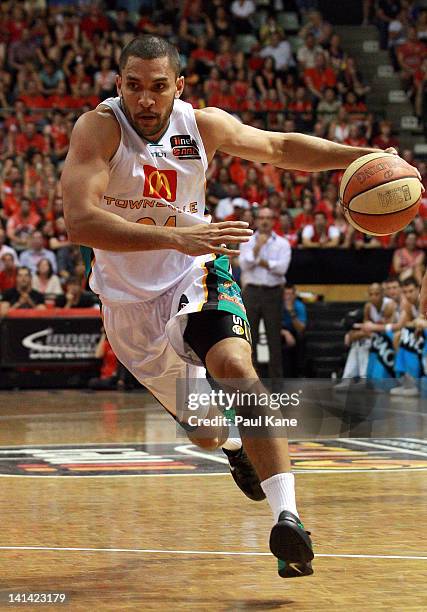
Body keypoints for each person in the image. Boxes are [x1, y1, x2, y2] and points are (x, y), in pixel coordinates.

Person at [61, 35, 402, 579]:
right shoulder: (98, 129)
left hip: (196, 273)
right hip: (127, 305)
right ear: (117, 82)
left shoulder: (203, 126)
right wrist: (174, 235)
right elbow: (79, 221)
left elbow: (280, 147)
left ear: (179, 86)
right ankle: (235, 445)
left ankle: (288, 517)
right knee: (205, 431)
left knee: (238, 369)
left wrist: (359, 156)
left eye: (157, 87)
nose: (144, 100)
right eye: (133, 86)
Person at [239, 207, 292, 380]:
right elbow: (244, 265)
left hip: (273, 293)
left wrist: (257, 260)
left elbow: (281, 269)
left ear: (274, 220)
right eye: (261, 217)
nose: (264, 221)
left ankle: (277, 387)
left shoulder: (283, 243)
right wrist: (257, 249)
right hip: (252, 292)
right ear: (256, 220)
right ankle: (252, 384)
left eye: (268, 217)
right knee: (249, 339)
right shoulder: (247, 241)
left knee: (274, 340)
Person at [281, 284, 307, 378]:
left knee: (301, 338)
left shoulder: (299, 306)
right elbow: (272, 324)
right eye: (285, 294)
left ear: (294, 295)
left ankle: (300, 372)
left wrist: (291, 312)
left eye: (290, 294)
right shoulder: (276, 305)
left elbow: (301, 328)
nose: (288, 297)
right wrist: (285, 333)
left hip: (295, 331)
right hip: (280, 332)